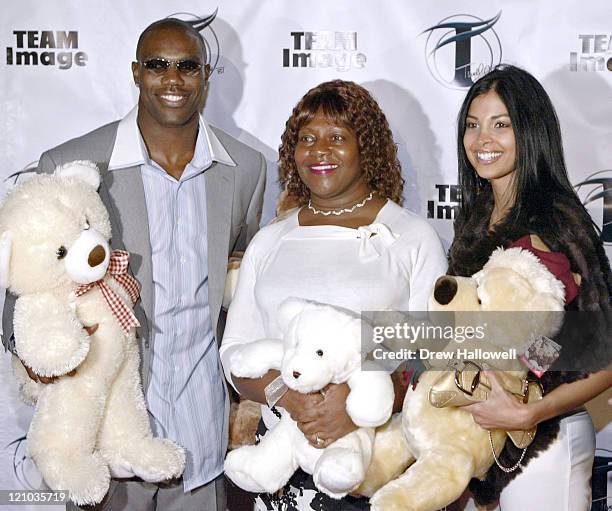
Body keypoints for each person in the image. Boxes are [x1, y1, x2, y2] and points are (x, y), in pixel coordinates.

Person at [2, 17, 266, 511]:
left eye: (187, 66)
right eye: (157, 65)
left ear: (206, 76)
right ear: (135, 72)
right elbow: (23, 283)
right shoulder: (74, 161)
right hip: (103, 435)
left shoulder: (246, 168)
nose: (173, 79)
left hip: (200, 437)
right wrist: (34, 357)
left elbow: (241, 287)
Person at [220, 79, 447, 510]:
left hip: (376, 462)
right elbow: (235, 351)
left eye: (337, 137)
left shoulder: (412, 237)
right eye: (307, 139)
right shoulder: (271, 241)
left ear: (367, 147)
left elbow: (434, 356)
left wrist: (354, 405)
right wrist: (287, 394)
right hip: (282, 466)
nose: (319, 151)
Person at [448, 64, 612, 510]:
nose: (483, 140)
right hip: (483, 447)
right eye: (473, 126)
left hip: (545, 443)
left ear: (530, 131)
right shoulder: (474, 219)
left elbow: (600, 350)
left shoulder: (557, 220)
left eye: (501, 125)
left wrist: (529, 408)